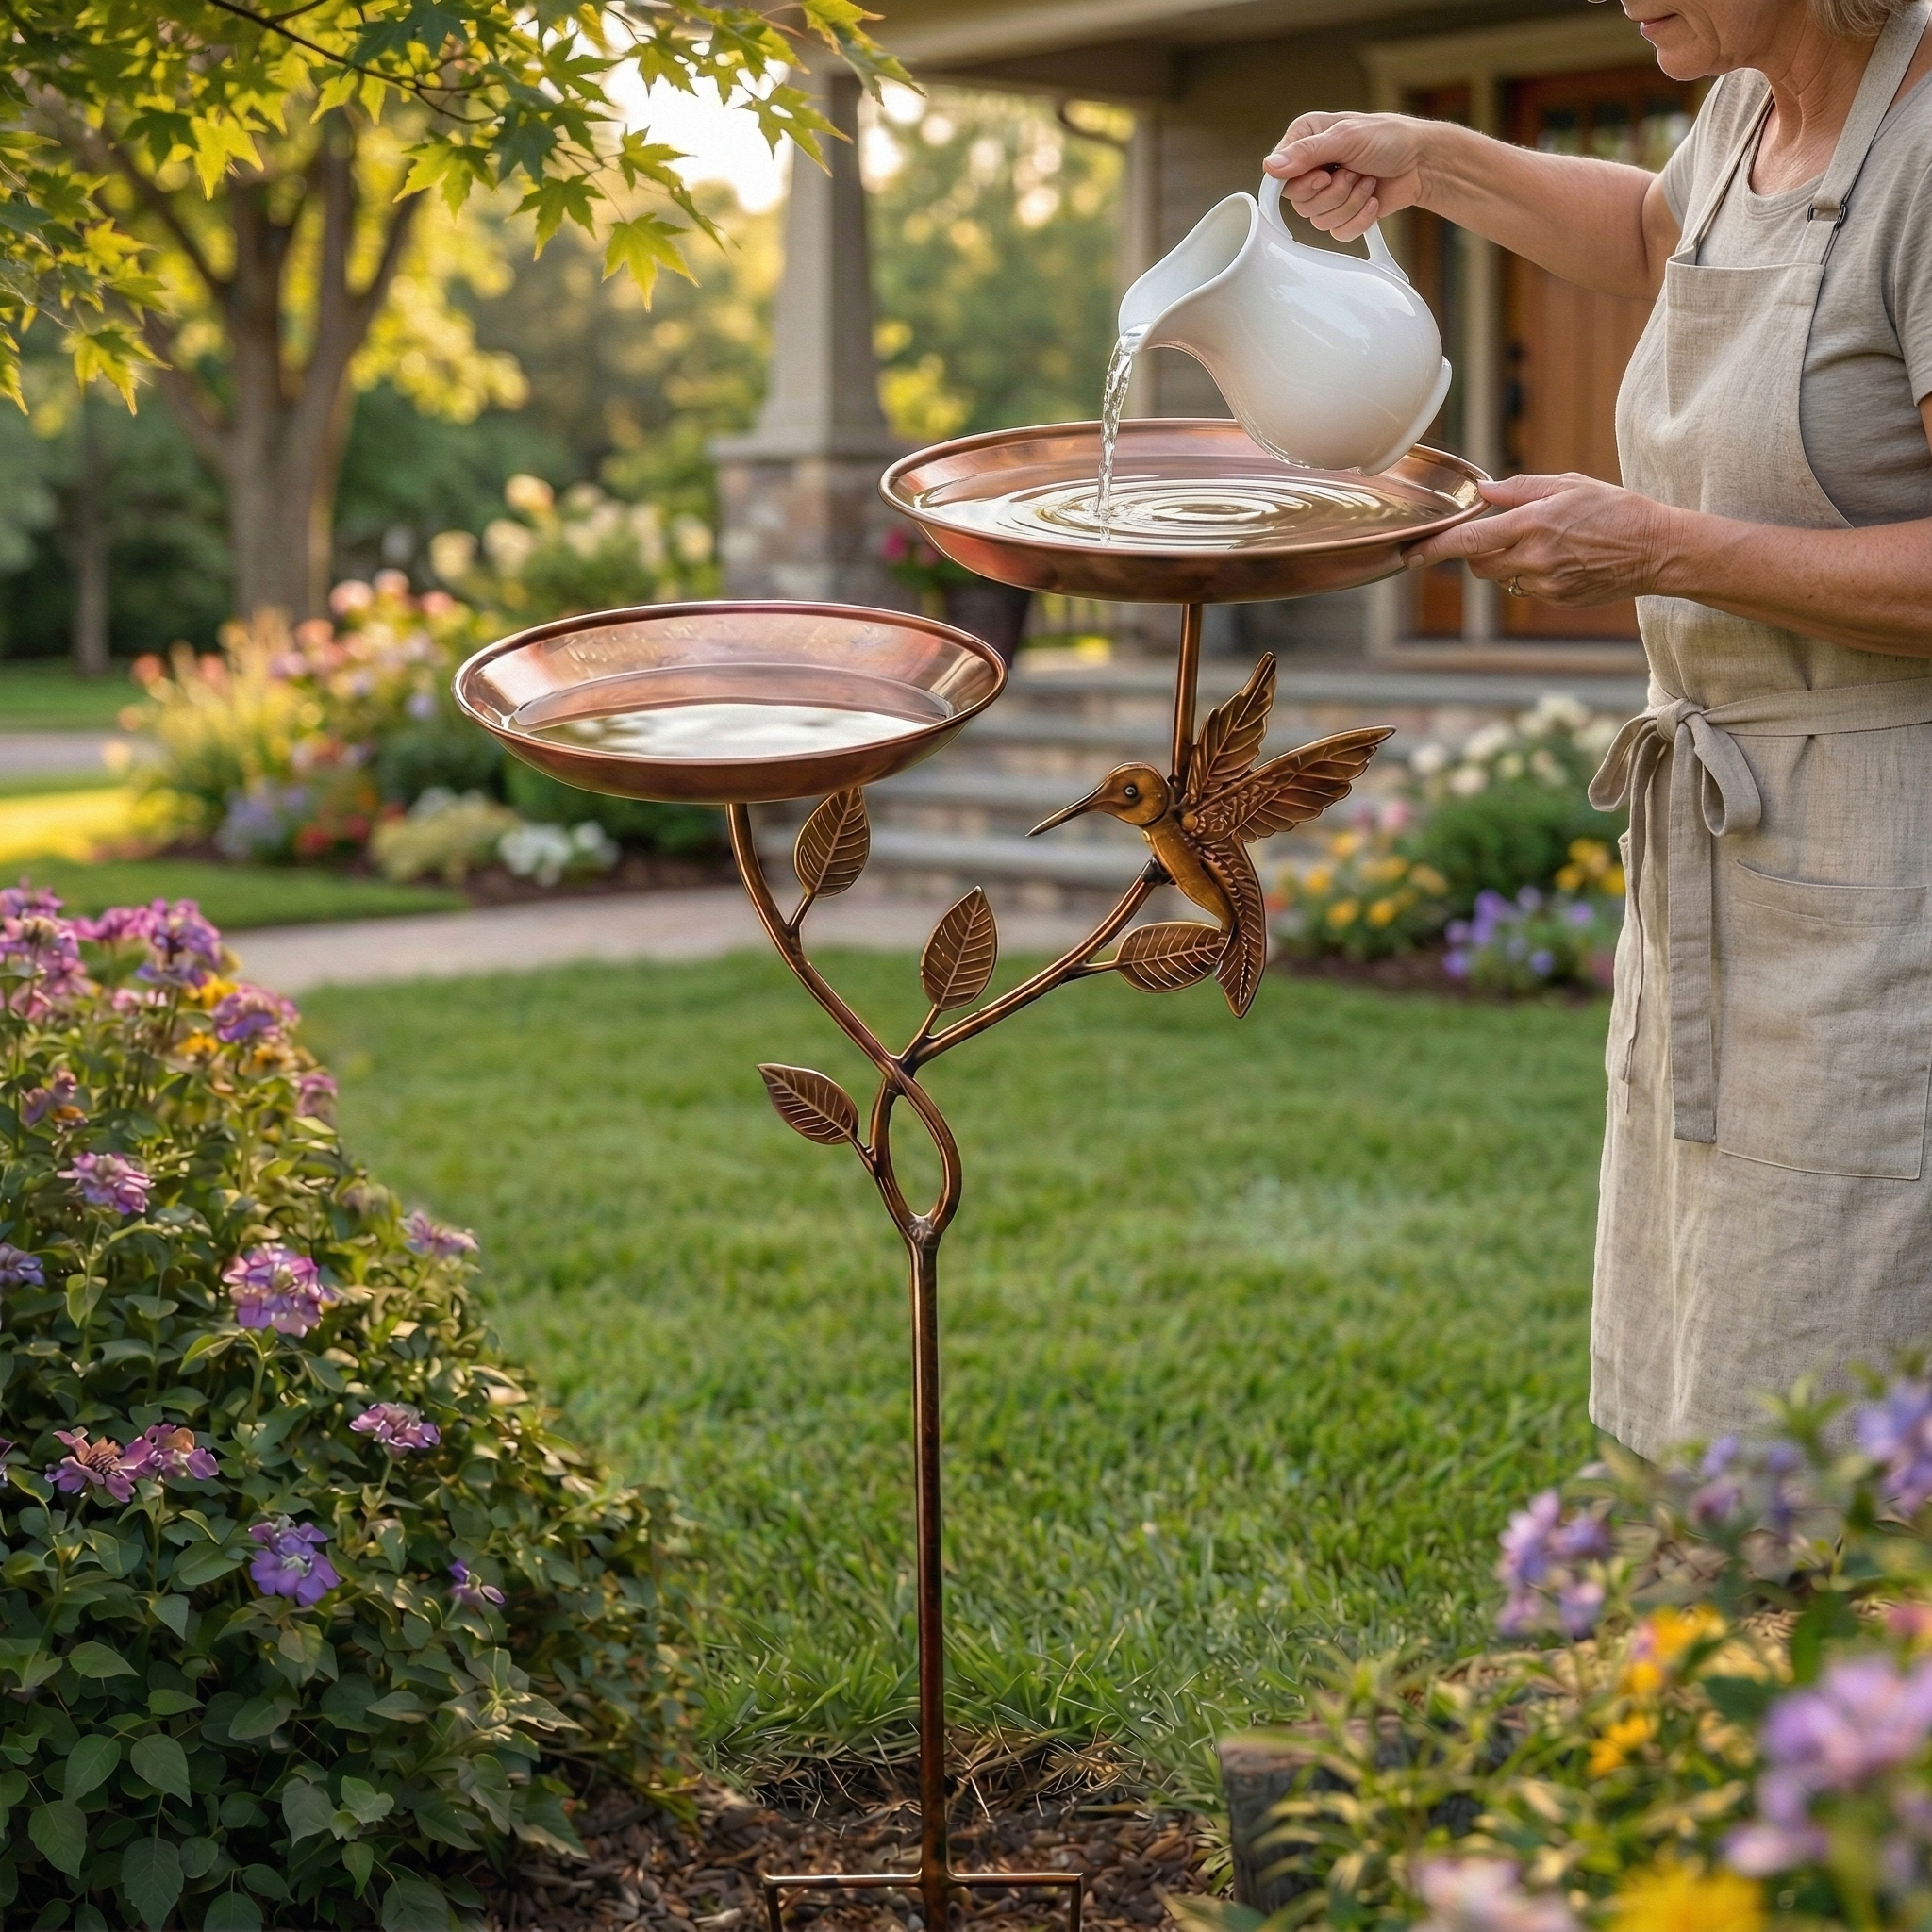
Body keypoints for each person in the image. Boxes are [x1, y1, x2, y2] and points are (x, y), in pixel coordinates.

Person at [1266, 0, 1932, 1460]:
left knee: (1856, 1368)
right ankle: (1709, 1664)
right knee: (1725, 1337)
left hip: (1895, 869)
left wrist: (1661, 551)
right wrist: (1425, 161)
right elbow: (1653, 234)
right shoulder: (1754, 107)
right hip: (1734, 838)